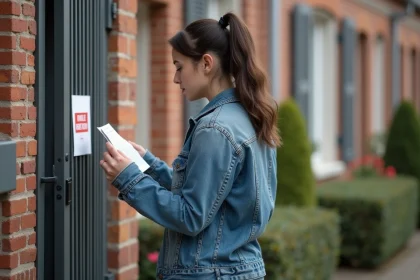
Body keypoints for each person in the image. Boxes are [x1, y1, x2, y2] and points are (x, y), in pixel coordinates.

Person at [100, 12, 280, 280]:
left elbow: (191, 216)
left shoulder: (215, 128)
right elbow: (212, 196)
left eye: (179, 66)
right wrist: (148, 166)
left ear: (206, 63)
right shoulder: (249, 116)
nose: (175, 78)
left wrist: (129, 179)